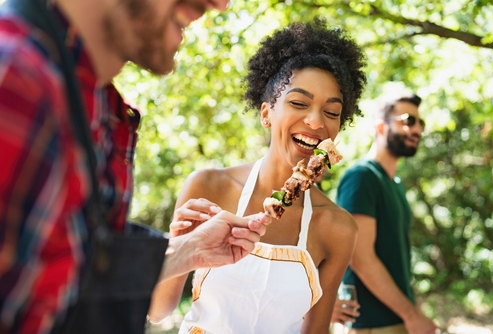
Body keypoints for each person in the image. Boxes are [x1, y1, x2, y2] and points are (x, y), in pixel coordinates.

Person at [0, 0, 272, 332]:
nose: (220, 4)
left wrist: (189, 250)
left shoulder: (102, 108)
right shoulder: (14, 83)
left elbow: (61, 285)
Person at [148, 19, 366, 333]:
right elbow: (157, 311)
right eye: (299, 103)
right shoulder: (207, 187)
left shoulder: (339, 228)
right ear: (267, 113)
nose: (316, 122)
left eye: (331, 112)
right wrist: (181, 244)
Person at [335, 94, 438, 334]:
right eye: (408, 120)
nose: (417, 130)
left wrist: (413, 312)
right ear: (381, 126)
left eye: (420, 123)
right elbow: (360, 258)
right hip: (370, 324)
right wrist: (411, 315)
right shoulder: (362, 177)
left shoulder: (396, 183)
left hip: (396, 319)